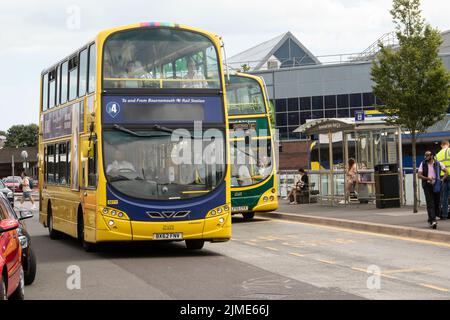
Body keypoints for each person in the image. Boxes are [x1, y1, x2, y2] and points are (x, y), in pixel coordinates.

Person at [418, 151, 448, 229]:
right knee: (430, 202)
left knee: (436, 203)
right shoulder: (423, 164)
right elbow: (419, 175)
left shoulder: (438, 164)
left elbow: (446, 172)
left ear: (432, 156)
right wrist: (427, 178)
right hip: (427, 186)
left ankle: (431, 218)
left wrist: (442, 179)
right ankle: (433, 220)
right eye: (425, 155)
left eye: (427, 155)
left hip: (437, 185)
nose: (426, 157)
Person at [436, 140, 450, 220]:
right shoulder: (449, 151)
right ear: (448, 144)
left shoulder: (437, 155)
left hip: (442, 177)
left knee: (444, 197)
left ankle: (444, 215)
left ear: (441, 145)